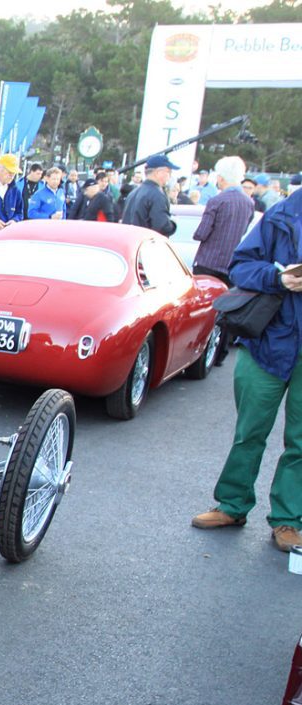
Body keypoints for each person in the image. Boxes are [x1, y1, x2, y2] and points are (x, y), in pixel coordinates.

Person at [190, 185, 302, 554]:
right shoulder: (281, 215)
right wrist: (279, 279)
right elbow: (240, 266)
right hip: (268, 342)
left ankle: (289, 519)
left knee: (300, 443)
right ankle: (232, 505)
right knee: (249, 431)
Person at [192, 155, 254, 286]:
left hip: (207, 263)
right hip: (230, 264)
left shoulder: (217, 201)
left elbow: (201, 233)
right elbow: (243, 231)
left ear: (221, 178)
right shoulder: (249, 203)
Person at [121, 153, 177, 236]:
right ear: (159, 172)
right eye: (169, 172)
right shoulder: (157, 195)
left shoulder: (134, 192)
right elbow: (162, 226)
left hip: (131, 242)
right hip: (147, 243)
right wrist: (173, 224)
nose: (170, 176)